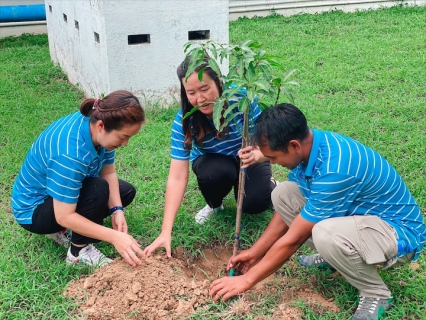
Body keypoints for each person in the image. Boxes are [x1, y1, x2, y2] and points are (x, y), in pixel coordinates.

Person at [209, 104, 425, 320]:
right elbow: (287, 218)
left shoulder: (334, 169)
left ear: (293, 145)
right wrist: (255, 252)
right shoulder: (310, 148)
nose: (272, 162)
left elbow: (294, 238)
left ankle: (376, 293)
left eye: (273, 157)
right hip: (362, 218)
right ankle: (337, 257)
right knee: (283, 194)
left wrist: (247, 280)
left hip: (399, 235)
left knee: (324, 233)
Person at [143, 58, 275, 257]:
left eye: (204, 89)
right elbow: (177, 177)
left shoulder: (242, 101)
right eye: (191, 93)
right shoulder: (185, 120)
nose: (199, 99)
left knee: (254, 205)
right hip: (215, 162)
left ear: (219, 82)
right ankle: (215, 205)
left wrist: (259, 154)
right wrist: (165, 231)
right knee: (212, 172)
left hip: (250, 158)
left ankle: (271, 185)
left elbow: (271, 141)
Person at [11, 90, 146, 268]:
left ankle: (68, 232)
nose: (125, 143)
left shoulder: (97, 124)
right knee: (98, 189)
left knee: (124, 192)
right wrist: (115, 237)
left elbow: (108, 173)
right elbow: (64, 216)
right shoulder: (69, 154)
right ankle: (78, 253)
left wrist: (117, 210)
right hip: (33, 210)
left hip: (57, 196)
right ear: (101, 126)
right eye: (124, 137)